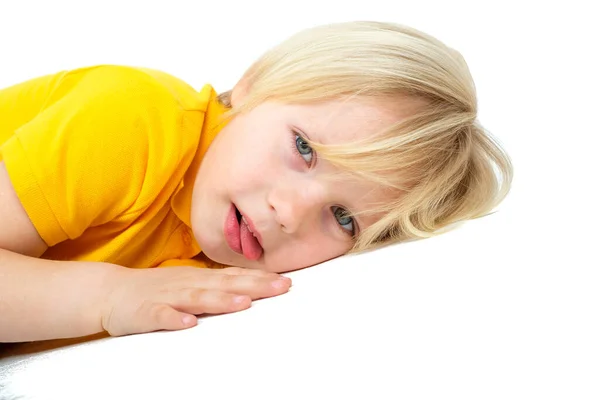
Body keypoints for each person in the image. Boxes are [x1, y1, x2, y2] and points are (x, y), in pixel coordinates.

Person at [0, 21, 512, 343]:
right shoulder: (133, 121)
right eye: (304, 148)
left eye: (342, 218)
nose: (289, 213)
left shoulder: (212, 254)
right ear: (250, 87)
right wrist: (108, 297)